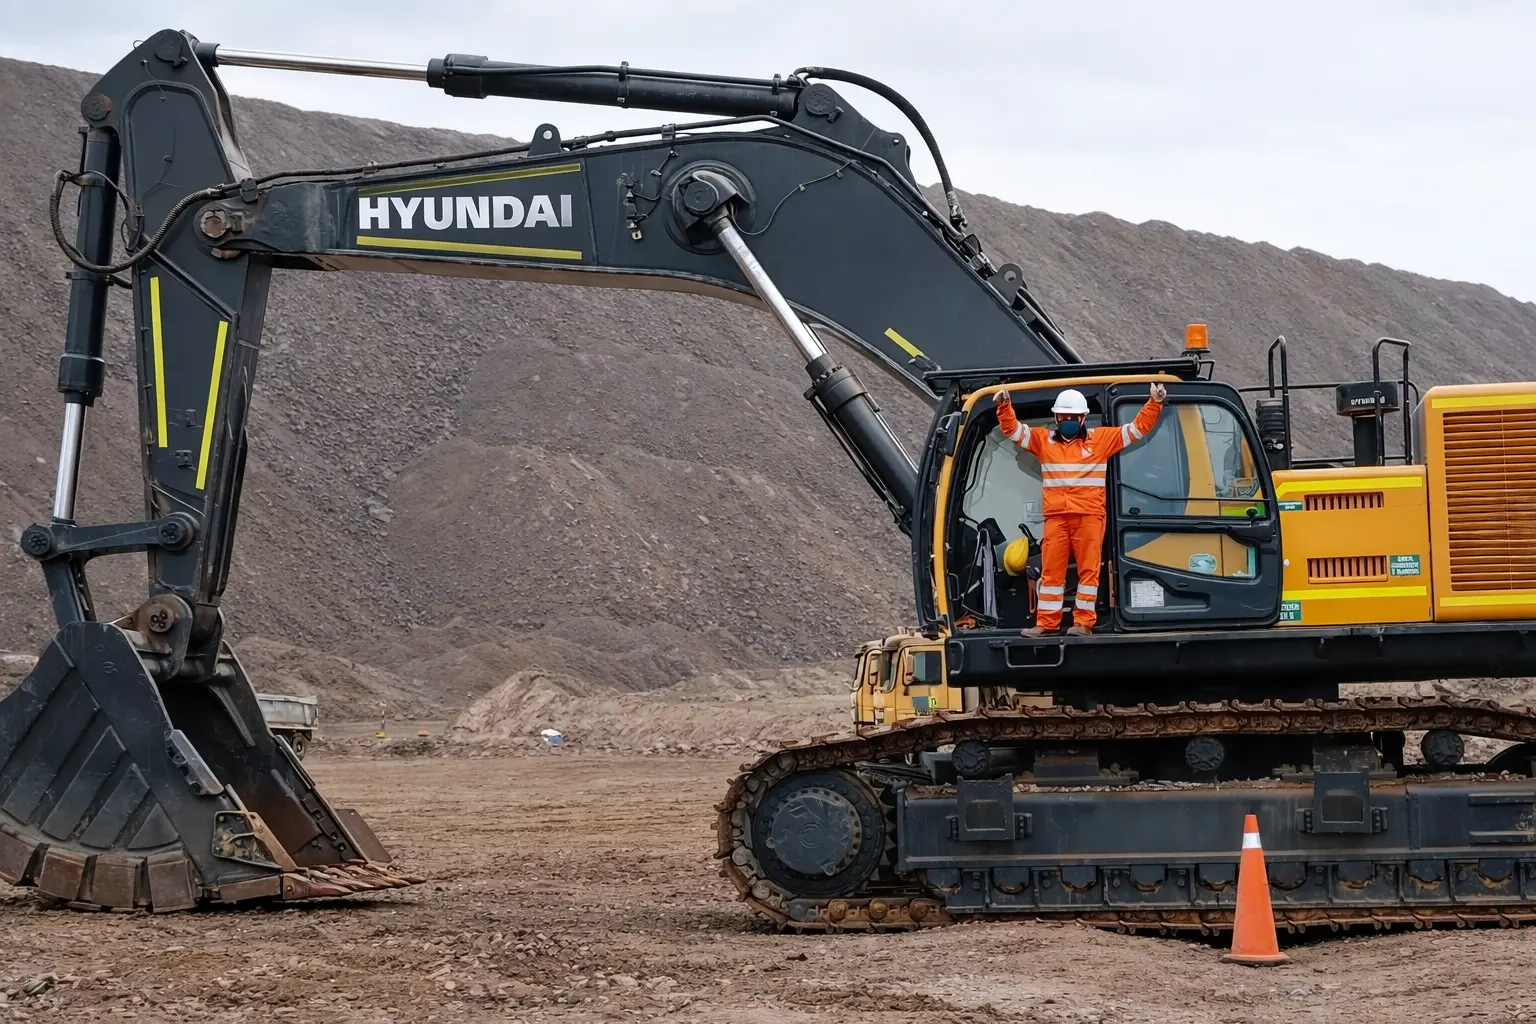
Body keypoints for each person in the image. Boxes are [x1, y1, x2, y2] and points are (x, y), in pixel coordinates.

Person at [994, 382, 1166, 636]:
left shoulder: (1101, 440)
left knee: (1089, 572)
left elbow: (1136, 429)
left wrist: (1155, 402)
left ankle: (1083, 623)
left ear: (1083, 417)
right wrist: (1003, 405)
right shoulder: (1044, 440)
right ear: (1056, 417)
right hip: (1056, 518)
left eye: (1073, 417)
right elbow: (1014, 430)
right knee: (1052, 573)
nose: (1068, 421)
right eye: (1064, 417)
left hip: (1089, 517)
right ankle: (1046, 624)